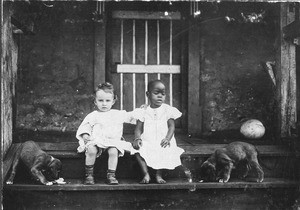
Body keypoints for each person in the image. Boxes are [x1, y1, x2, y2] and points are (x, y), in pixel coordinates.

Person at [76, 82, 138, 185]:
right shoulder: (93, 115)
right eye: (100, 100)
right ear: (95, 102)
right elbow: (85, 126)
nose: (104, 104)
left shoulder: (117, 114)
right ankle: (89, 175)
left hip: (112, 141)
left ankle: (111, 175)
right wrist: (85, 134)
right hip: (97, 140)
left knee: (113, 151)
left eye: (107, 100)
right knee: (91, 150)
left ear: (113, 101)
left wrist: (141, 111)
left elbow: (131, 116)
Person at [132, 80, 188, 184]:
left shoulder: (167, 110)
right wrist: (137, 138)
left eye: (163, 94)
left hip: (163, 140)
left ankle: (158, 174)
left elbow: (171, 127)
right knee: (137, 151)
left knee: (164, 150)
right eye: (156, 93)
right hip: (148, 140)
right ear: (148, 94)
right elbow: (138, 128)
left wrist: (167, 138)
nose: (160, 96)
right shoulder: (143, 111)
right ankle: (146, 174)